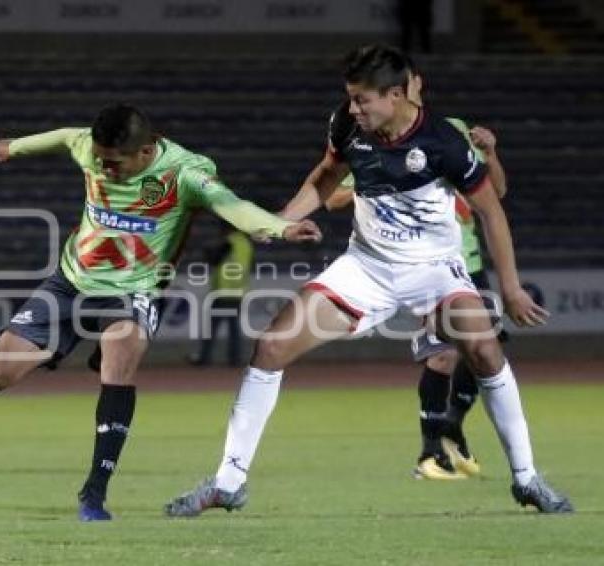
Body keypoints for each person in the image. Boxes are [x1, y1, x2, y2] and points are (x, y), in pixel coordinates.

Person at [165, 45, 573, 517]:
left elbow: (491, 211)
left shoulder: (443, 141)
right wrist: (279, 223)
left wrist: (512, 288)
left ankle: (526, 479)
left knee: (484, 351)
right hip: (366, 268)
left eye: (362, 100)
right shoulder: (348, 126)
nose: (353, 109)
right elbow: (324, 178)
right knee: (273, 344)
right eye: (351, 99)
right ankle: (228, 483)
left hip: (435, 270)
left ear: (397, 95)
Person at [0, 103, 320, 522]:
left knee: (119, 356)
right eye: (99, 159)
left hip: (134, 290)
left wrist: (281, 229)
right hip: (70, 281)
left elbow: (232, 206)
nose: (103, 167)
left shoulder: (185, 173)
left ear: (145, 151)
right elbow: (65, 135)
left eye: (113, 162)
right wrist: (13, 147)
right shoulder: (90, 147)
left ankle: (94, 494)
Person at [325, 67, 510, 480]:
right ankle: (431, 452)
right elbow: (333, 197)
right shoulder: (375, 141)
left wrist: (492, 154)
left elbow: (495, 194)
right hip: (420, 265)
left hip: (468, 264)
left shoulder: (452, 132)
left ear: (416, 84)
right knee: (443, 354)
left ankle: (452, 429)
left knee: (486, 348)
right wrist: (380, 187)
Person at [189, 219, 254, 367]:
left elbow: (214, 259)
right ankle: (235, 359)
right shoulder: (246, 244)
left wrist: (205, 250)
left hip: (222, 292)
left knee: (211, 328)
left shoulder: (228, 243)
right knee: (233, 328)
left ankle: (204, 358)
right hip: (238, 292)